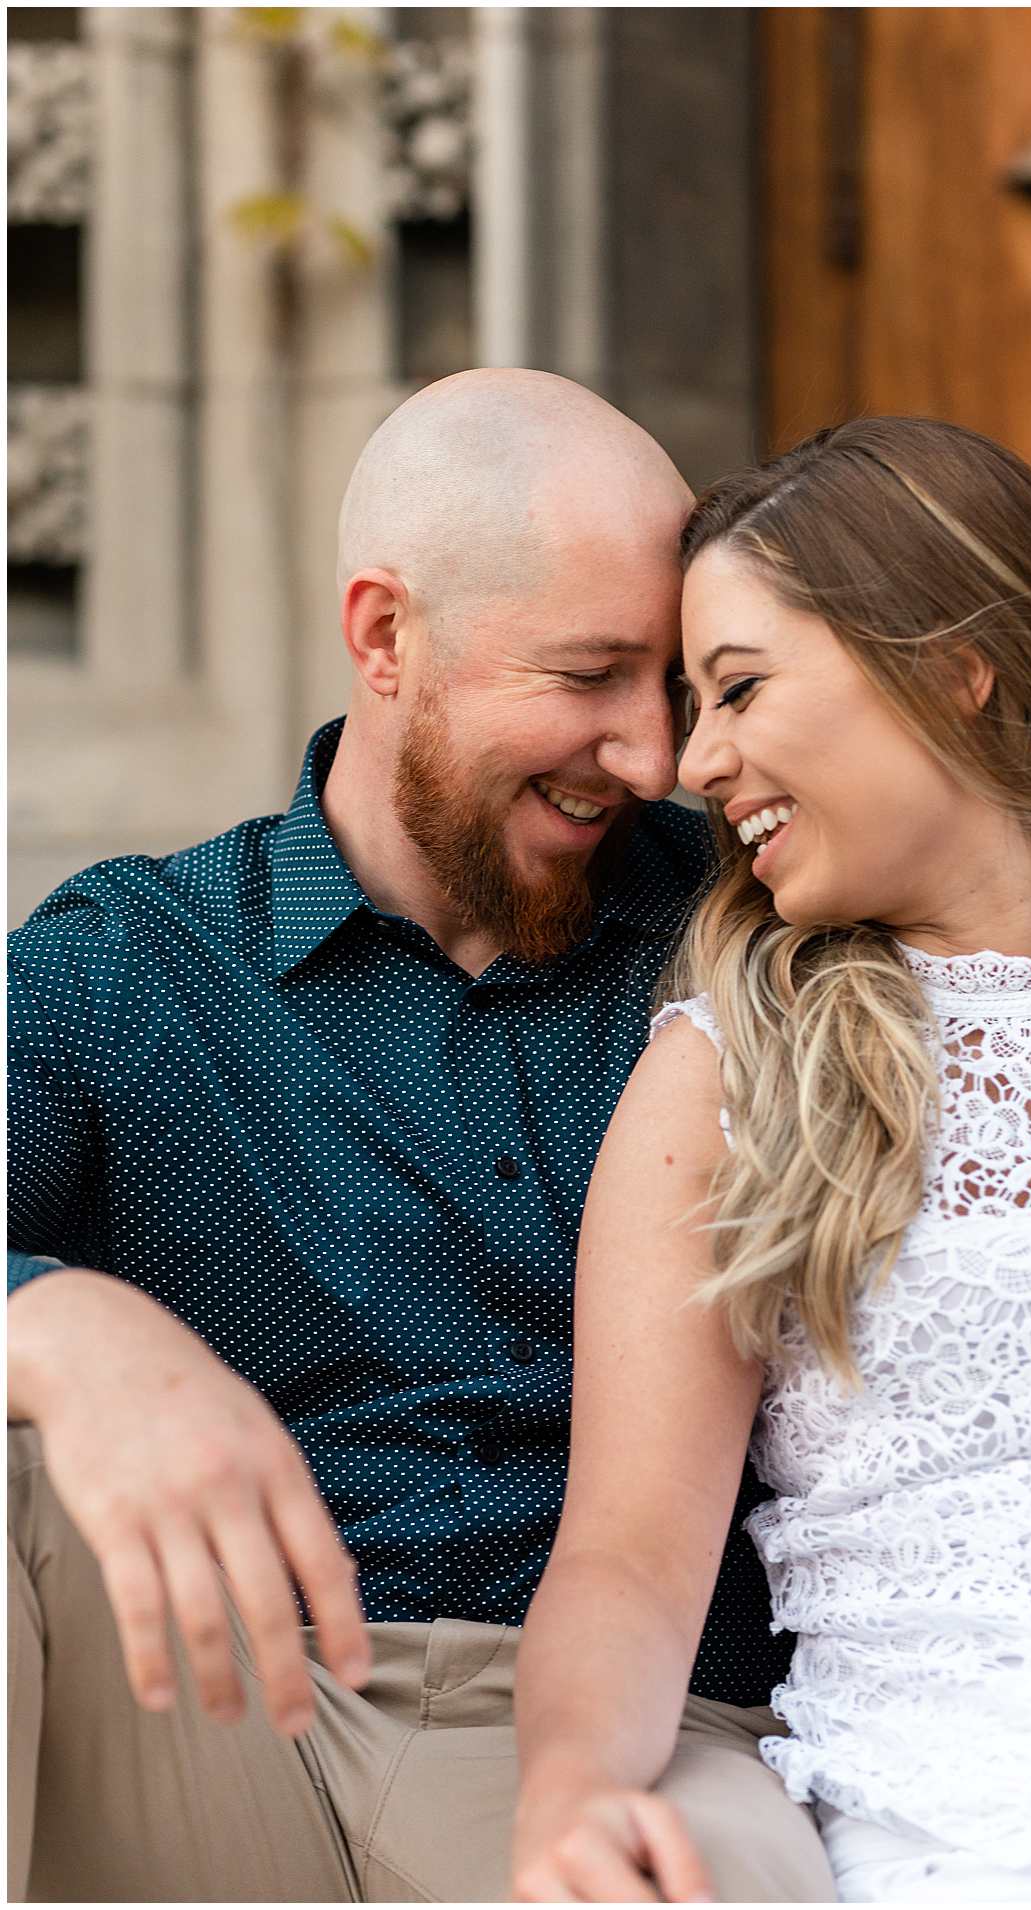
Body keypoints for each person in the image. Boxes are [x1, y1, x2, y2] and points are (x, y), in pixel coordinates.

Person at [7, 370, 835, 1903]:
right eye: (588, 676)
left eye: (670, 686)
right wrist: (48, 1320)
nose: (651, 758)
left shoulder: (758, 934)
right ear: (385, 635)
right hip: (226, 1726)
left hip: (654, 1729)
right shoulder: (127, 968)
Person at [511, 417, 1031, 1903]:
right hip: (974, 1818)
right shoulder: (724, 1070)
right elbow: (627, 1559)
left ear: (952, 664)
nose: (696, 762)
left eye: (737, 689)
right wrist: (573, 1789)